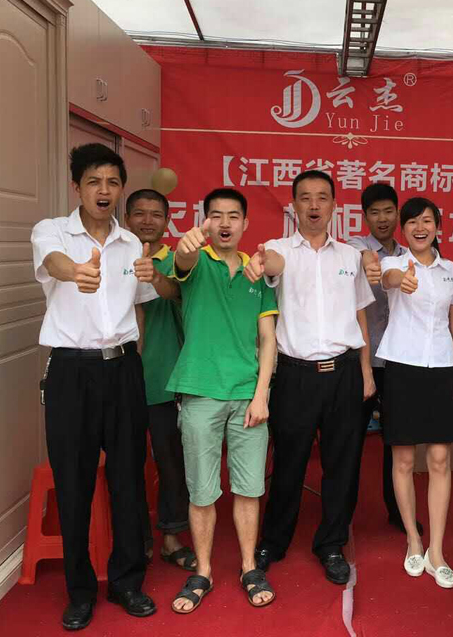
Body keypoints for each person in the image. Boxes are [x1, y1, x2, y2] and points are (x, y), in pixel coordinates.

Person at [31, 144, 159, 630]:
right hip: (72, 372)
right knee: (74, 482)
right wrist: (78, 273)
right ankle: (80, 591)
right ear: (77, 187)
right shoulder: (51, 232)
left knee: (128, 478)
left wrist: (157, 276)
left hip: (123, 371)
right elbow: (55, 264)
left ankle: (127, 582)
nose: (103, 191)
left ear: (121, 188)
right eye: (93, 182)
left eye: (112, 182)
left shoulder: (131, 243)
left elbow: (145, 300)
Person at [247, 170, 376, 586]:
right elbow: (271, 265)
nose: (314, 205)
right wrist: (263, 260)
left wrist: (366, 370)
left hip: (344, 373)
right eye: (305, 198)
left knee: (343, 464)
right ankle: (274, 541)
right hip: (295, 375)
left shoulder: (351, 257)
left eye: (322, 197)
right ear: (294, 206)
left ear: (334, 205)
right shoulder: (279, 250)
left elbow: (360, 314)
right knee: (288, 462)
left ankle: (331, 544)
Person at [167, 188, 278, 613]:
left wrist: (261, 394)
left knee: (249, 489)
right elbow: (181, 263)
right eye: (216, 215)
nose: (225, 223)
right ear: (206, 221)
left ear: (246, 223)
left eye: (234, 216)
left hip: (248, 396)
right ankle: (204, 571)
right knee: (202, 491)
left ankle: (249, 567)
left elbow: (268, 340)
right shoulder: (196, 262)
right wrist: (186, 248)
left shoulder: (258, 271)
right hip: (200, 393)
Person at [375, 197, 453, 589]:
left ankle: (437, 551)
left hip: (443, 369)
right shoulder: (393, 263)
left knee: (440, 459)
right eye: (412, 221)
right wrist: (402, 279)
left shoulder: (451, 271)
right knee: (402, 460)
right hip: (402, 367)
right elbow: (388, 280)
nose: (419, 227)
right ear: (403, 228)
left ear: (438, 227)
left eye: (427, 221)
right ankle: (413, 540)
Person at [124, 189, 195, 572]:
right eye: (139, 213)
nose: (147, 220)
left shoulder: (178, 262)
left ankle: (171, 537)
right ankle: (137, 540)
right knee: (127, 466)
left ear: (167, 221)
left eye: (156, 214)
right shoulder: (113, 258)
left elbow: (183, 300)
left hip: (167, 381)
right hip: (120, 382)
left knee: (171, 464)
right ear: (126, 218)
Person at [346, 182, 423, 535]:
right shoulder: (354, 247)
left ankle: (397, 510)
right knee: (350, 442)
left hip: (399, 363)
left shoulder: (411, 253)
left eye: (388, 211)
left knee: (397, 442)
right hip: (361, 360)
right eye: (374, 212)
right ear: (365, 217)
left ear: (398, 214)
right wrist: (366, 257)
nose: (382, 218)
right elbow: (356, 254)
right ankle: (343, 514)